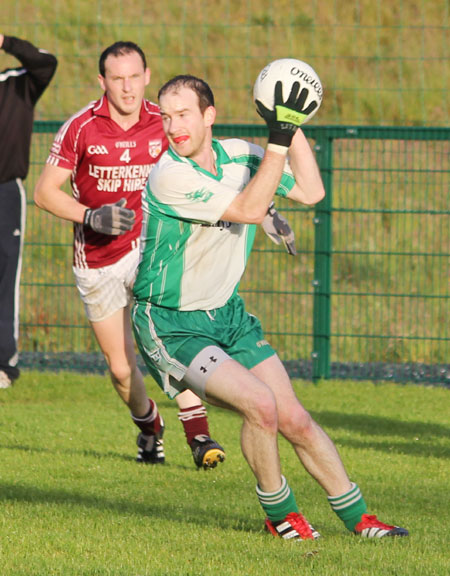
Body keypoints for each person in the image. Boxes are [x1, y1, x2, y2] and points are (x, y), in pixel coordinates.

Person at [132, 74, 409, 540]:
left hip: (228, 314)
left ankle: (360, 518)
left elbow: (310, 191)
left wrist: (291, 124)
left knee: (295, 417)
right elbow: (245, 209)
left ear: (208, 116)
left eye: (183, 114)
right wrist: (277, 139)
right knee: (261, 406)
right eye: (165, 116)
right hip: (169, 322)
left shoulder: (241, 154)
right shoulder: (169, 174)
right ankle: (280, 515)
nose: (173, 126)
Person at [34, 41, 227, 469]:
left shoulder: (164, 122)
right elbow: (44, 193)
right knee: (121, 370)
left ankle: (199, 437)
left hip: (151, 248)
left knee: (169, 339)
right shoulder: (80, 127)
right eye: (117, 78)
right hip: (98, 259)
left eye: (134, 77)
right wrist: (91, 216)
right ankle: (149, 425)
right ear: (102, 82)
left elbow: (208, 165)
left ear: (147, 76)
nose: (127, 87)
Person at [0, 34, 57, 389]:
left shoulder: (18, 83)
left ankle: (3, 363)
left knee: (5, 276)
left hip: (5, 192)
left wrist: (6, 40)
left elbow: (45, 62)